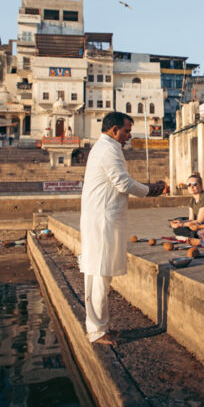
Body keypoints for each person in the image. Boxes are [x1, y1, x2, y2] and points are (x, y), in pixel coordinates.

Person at [79, 111, 165, 345]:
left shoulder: (107, 148)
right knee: (99, 274)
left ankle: (100, 327)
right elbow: (122, 182)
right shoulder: (108, 149)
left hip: (102, 218)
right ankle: (97, 332)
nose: (128, 136)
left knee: (100, 274)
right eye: (126, 131)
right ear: (114, 130)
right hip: (102, 220)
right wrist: (150, 190)